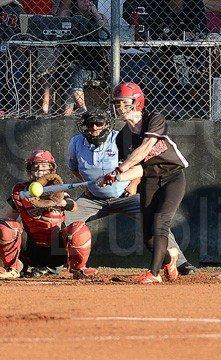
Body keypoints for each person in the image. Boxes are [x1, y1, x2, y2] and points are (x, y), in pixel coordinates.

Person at [65, 108, 196, 275]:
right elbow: (74, 168)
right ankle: (59, 265)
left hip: (125, 195)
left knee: (157, 223)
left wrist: (133, 184)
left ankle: (180, 263)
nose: (94, 128)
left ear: (107, 125)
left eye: (99, 123)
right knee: (63, 220)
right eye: (90, 124)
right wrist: (87, 188)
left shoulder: (120, 138)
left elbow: (139, 163)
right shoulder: (76, 143)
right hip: (94, 199)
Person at [100, 82, 189, 284]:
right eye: (117, 103)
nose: (120, 107)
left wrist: (119, 170)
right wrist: (114, 177)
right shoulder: (121, 137)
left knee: (161, 223)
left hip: (172, 176)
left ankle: (154, 273)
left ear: (137, 102)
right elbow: (140, 168)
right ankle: (170, 258)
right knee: (149, 237)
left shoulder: (154, 119)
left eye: (125, 103)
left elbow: (145, 149)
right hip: (149, 179)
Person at [0, 150, 97, 279]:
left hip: (57, 251)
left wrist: (61, 202)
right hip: (31, 250)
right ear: (29, 171)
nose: (40, 172)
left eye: (44, 168)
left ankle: (78, 269)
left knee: (79, 229)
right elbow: (5, 221)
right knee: (6, 226)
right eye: (35, 168)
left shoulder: (58, 190)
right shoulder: (20, 192)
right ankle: (12, 268)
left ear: (52, 170)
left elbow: (74, 207)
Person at [57, 0, 108, 116]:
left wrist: (95, 13)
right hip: (71, 60)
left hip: (93, 63)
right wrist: (67, 7)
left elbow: (104, 30)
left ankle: (82, 109)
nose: (86, 1)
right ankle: (67, 112)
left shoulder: (99, 17)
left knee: (77, 74)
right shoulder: (69, 14)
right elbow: (58, 23)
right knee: (69, 72)